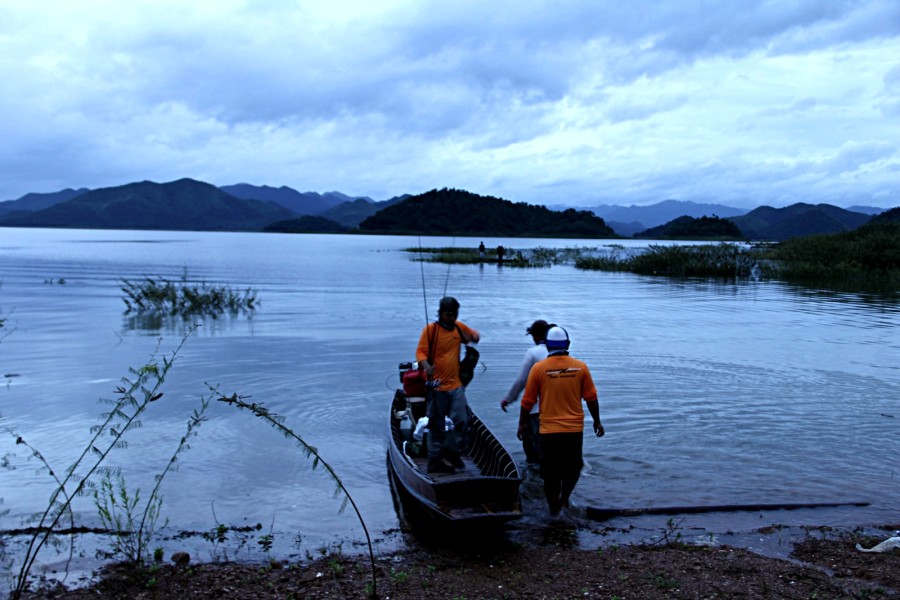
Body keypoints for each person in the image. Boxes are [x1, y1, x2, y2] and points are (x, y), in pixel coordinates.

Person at [518, 326, 604, 516]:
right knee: (573, 470)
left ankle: (554, 510)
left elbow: (527, 401)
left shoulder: (538, 369)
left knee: (550, 475)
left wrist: (522, 424)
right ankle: (564, 500)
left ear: (548, 346)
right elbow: (591, 397)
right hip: (573, 430)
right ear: (568, 345)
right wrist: (597, 421)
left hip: (548, 431)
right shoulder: (580, 367)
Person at [416, 296, 481, 474]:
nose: (451, 318)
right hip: (436, 387)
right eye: (447, 315)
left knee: (462, 419)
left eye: (454, 315)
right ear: (440, 313)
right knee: (436, 427)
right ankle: (434, 462)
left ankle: (452, 450)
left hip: (456, 385)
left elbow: (473, 337)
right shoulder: (431, 330)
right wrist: (426, 366)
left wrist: (475, 336)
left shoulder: (458, 328)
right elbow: (420, 352)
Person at [500, 319, 552, 466]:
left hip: (536, 413)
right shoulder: (559, 353)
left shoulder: (533, 353)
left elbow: (522, 380)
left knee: (534, 458)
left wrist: (508, 399)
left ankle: (534, 486)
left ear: (535, 336)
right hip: (558, 412)